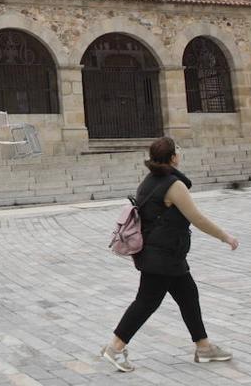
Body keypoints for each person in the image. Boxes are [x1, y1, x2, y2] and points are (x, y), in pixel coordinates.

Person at [100, 136, 240, 373]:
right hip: (162, 256)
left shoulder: (150, 180)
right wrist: (225, 236)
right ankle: (115, 347)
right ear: (173, 157)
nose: (180, 154)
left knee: (188, 295)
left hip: (164, 253)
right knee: (146, 301)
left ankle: (204, 347)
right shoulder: (174, 185)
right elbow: (196, 218)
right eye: (178, 150)